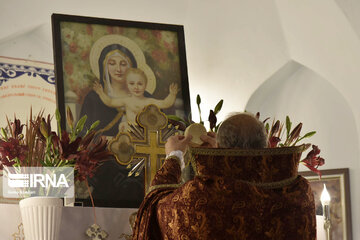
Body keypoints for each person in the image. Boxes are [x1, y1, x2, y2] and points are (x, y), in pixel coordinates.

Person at [132, 112, 316, 239]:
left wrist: (174, 156)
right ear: (267, 143)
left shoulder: (198, 197)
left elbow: (156, 206)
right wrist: (217, 159)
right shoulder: (298, 191)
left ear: (220, 145)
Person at [93, 68, 179, 132]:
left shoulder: (149, 101)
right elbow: (110, 102)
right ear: (127, 85)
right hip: (130, 131)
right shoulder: (127, 100)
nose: (136, 87)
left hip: (145, 133)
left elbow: (165, 103)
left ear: (145, 85)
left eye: (140, 84)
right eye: (132, 84)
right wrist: (101, 93)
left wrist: (172, 94)